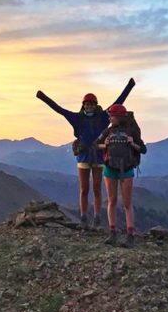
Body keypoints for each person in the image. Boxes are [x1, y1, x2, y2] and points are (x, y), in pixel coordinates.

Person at [36, 78, 136, 229]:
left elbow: (119, 100)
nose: (89, 106)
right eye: (87, 104)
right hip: (83, 156)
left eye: (91, 104)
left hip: (97, 157)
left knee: (96, 188)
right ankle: (83, 218)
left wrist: (130, 86)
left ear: (95, 105)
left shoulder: (103, 117)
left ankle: (96, 218)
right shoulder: (77, 118)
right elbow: (59, 109)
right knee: (84, 189)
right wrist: (42, 97)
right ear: (83, 105)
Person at [96, 104, 147, 248]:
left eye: (111, 115)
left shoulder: (130, 131)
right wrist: (103, 145)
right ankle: (114, 232)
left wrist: (133, 144)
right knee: (114, 201)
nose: (110, 118)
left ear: (117, 116)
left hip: (123, 169)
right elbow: (95, 145)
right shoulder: (108, 131)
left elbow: (143, 149)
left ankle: (128, 234)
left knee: (125, 203)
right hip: (114, 169)